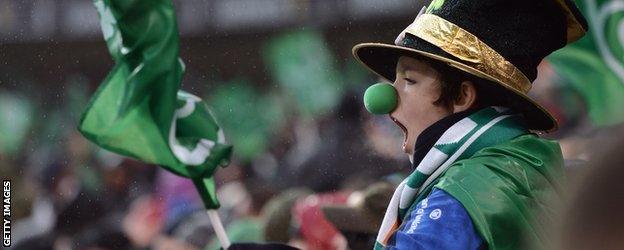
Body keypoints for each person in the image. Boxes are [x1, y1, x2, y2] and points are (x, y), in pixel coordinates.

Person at [352, 0, 588, 249]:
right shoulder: (517, 165)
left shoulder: (463, 193)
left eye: (409, 80)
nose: (386, 99)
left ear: (462, 97)